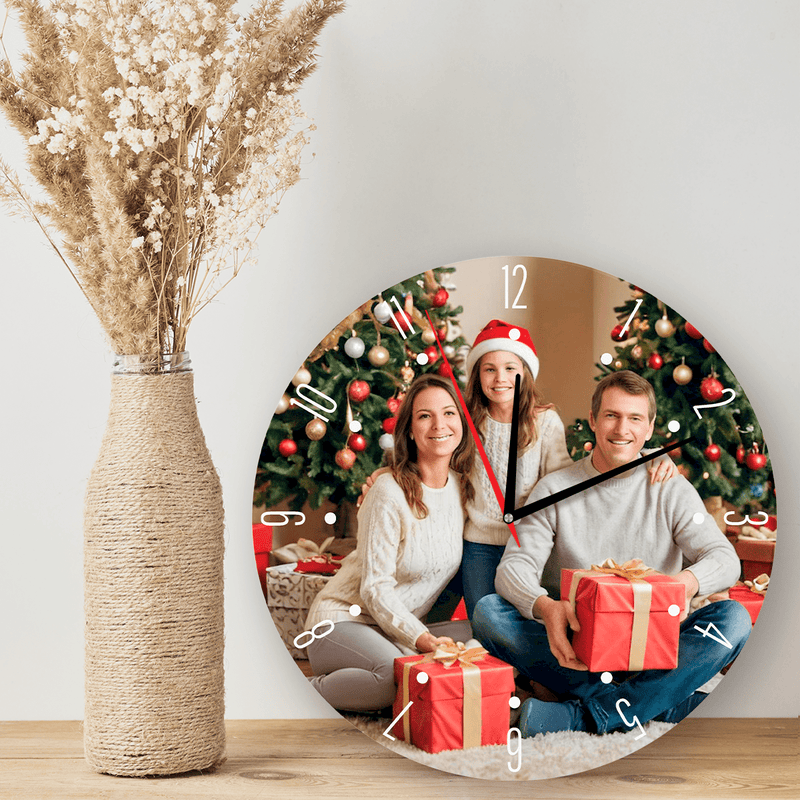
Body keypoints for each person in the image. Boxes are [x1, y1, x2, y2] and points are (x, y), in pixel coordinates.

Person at [471, 370, 751, 737]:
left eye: (635, 418)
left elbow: (725, 557)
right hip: (577, 647)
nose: (622, 429)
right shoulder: (554, 489)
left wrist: (685, 583)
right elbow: (514, 568)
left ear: (650, 428)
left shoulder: (670, 487)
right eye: (612, 415)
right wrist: (546, 607)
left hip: (655, 646)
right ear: (593, 420)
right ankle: (660, 701)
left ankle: (584, 716)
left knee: (734, 619)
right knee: (489, 613)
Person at [460, 319, 674, 617]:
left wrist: (652, 455)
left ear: (525, 373)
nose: (500, 378)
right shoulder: (465, 422)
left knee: (529, 616)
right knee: (485, 619)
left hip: (531, 541)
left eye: (510, 368)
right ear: (477, 375)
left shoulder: (544, 422)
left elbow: (563, 480)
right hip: (481, 544)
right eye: (489, 369)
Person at [304, 373, 475, 713]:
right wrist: (423, 641)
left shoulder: (463, 489)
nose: (439, 425)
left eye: (449, 413)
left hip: (398, 630)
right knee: (393, 681)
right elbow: (374, 589)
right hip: (343, 620)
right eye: (425, 416)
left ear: (462, 422)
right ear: (410, 429)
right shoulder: (388, 492)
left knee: (489, 637)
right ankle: (300, 691)